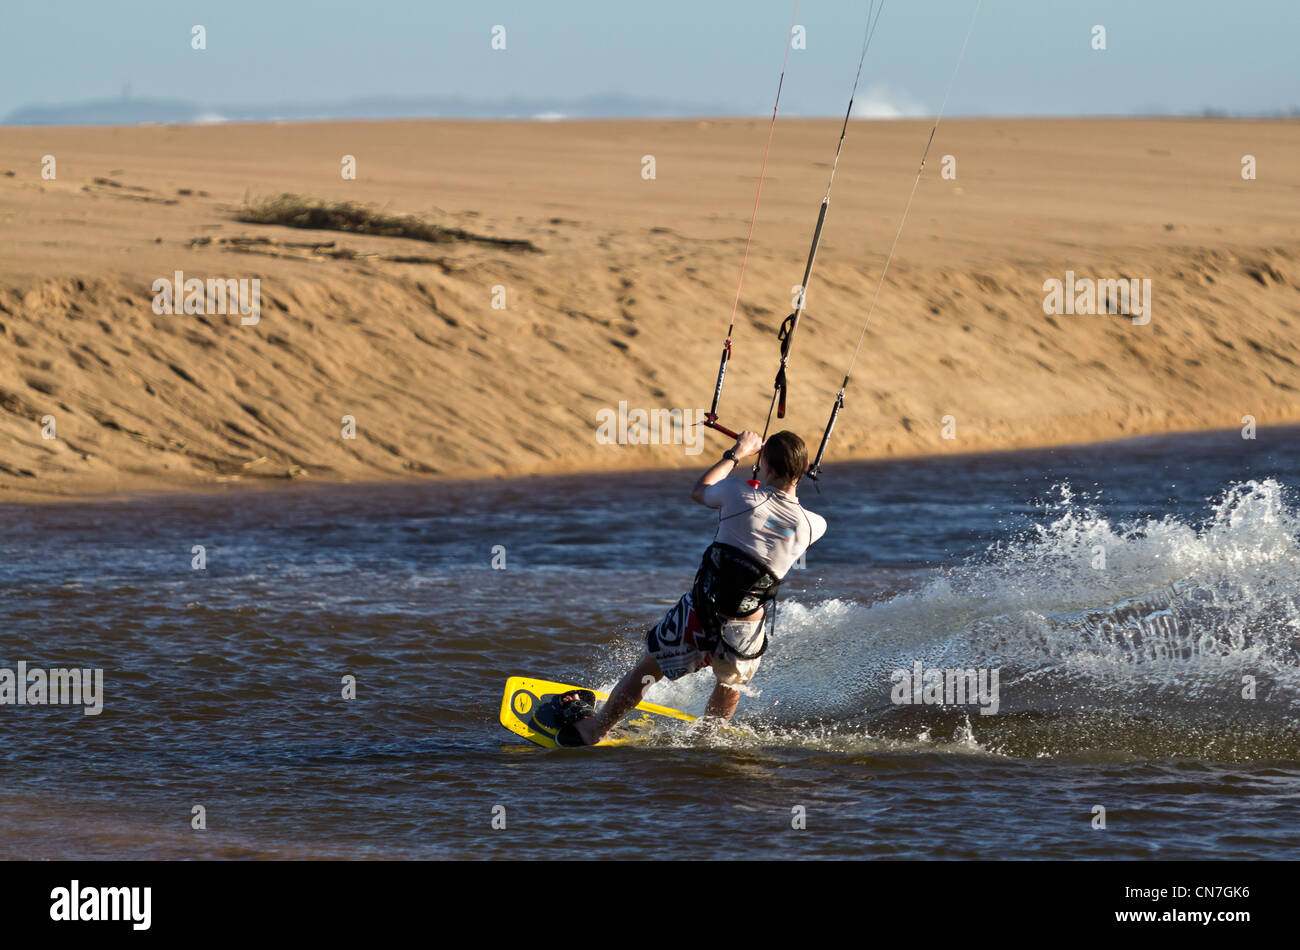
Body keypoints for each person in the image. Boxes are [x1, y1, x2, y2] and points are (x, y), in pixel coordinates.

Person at [540, 429, 827, 746]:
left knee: (650, 667)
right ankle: (705, 742)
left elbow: (701, 490)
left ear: (766, 467)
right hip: (745, 627)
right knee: (730, 686)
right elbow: (778, 520)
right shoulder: (814, 525)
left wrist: (736, 453)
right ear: (804, 468)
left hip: (701, 611)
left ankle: (594, 730)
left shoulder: (737, 493)